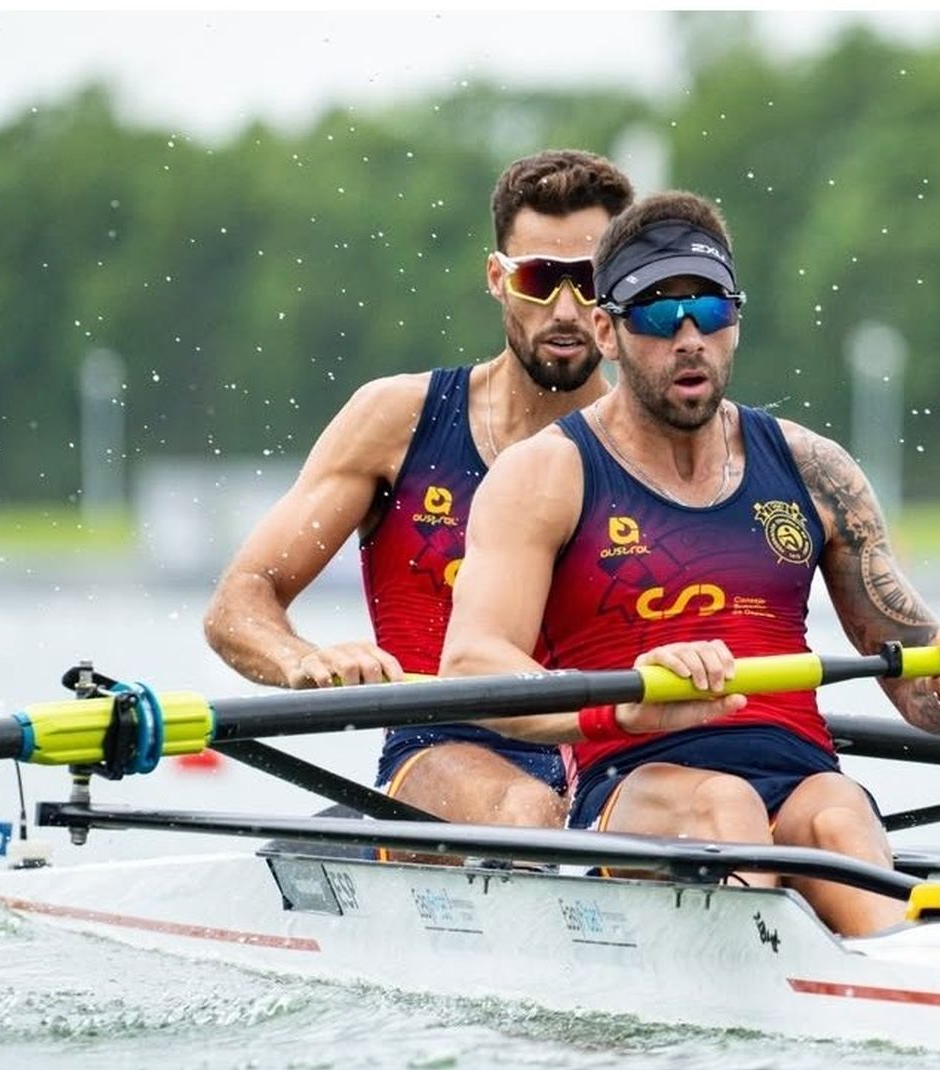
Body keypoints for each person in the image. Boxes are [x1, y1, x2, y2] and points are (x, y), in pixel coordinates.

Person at [439, 190, 940, 937]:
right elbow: (470, 668)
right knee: (726, 806)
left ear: (735, 321)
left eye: (709, 310)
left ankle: (930, 987)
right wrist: (624, 702)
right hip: (634, 783)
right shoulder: (544, 475)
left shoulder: (815, 470)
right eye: (655, 312)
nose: (688, 337)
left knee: (839, 812)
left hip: (801, 777)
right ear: (607, 331)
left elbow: (924, 701)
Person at [203, 149, 635, 827]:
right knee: (527, 809)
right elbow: (239, 602)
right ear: (497, 278)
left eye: (587, 280)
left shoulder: (656, 447)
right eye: (539, 278)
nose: (565, 307)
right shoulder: (398, 422)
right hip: (443, 750)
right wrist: (307, 661)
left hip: (608, 758)